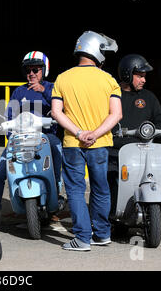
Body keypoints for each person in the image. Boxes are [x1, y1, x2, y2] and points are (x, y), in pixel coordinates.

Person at [108, 53, 161, 242]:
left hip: (145, 151)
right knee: (112, 181)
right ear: (127, 74)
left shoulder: (149, 97)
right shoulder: (113, 95)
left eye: (145, 76)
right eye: (139, 75)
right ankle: (117, 223)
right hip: (118, 153)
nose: (143, 80)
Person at [51, 31, 122, 251]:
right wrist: (95, 133)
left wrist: (80, 132)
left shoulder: (63, 78)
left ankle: (82, 238)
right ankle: (102, 234)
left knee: (75, 190)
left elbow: (56, 112)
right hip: (100, 144)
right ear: (96, 51)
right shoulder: (108, 79)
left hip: (73, 143)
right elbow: (116, 114)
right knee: (101, 189)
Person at [0, 51, 63, 226]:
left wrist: (44, 91)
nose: (31, 74)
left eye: (36, 70)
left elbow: (61, 109)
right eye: (28, 70)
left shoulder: (53, 89)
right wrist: (11, 135)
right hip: (20, 137)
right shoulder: (19, 91)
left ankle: (54, 200)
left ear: (44, 70)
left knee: (58, 156)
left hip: (46, 136)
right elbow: (9, 115)